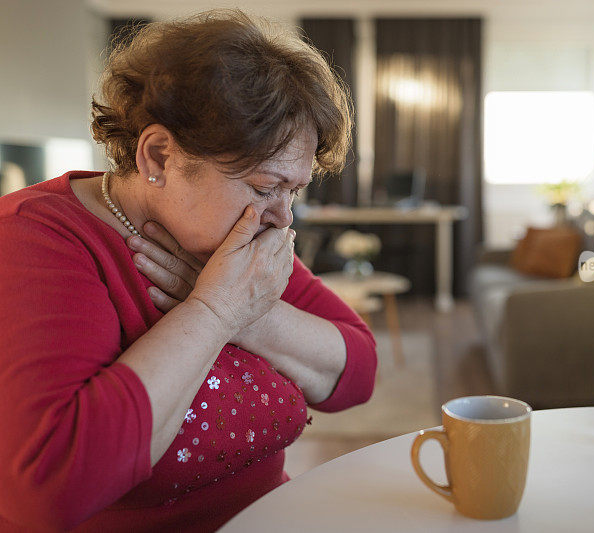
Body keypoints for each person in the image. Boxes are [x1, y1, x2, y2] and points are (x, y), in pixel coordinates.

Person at [0, 10, 377, 531]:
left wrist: (249, 313)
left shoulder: (235, 241)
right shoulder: (34, 239)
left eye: (296, 190)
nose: (284, 216)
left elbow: (356, 372)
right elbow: (49, 490)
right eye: (267, 187)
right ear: (158, 155)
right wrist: (213, 310)